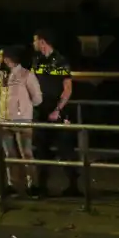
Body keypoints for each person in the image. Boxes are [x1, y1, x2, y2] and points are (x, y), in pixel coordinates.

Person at [30, 29, 79, 197]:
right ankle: (42, 186)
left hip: (57, 110)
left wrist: (58, 109)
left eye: (35, 40)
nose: (33, 44)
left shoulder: (61, 60)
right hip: (40, 110)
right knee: (41, 149)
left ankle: (74, 185)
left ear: (42, 42)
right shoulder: (36, 60)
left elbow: (68, 89)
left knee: (65, 148)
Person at [1, 47, 43, 195]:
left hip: (22, 120)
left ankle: (33, 185)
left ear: (7, 59)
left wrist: (23, 108)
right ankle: (12, 184)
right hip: (5, 120)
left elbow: (37, 98)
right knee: (9, 154)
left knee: (26, 153)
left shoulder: (26, 75)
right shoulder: (3, 75)